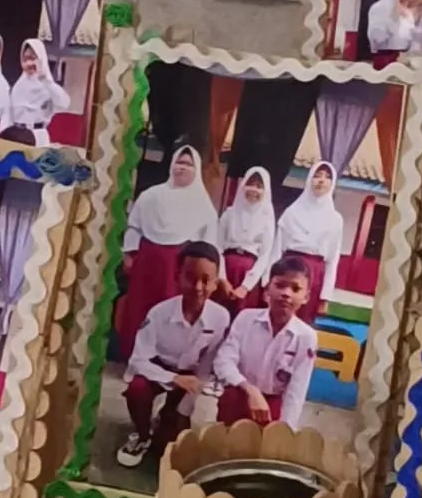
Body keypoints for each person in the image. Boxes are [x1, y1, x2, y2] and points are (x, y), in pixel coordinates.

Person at [115, 242, 228, 468]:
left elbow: (205, 366)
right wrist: (172, 378)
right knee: (137, 390)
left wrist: (184, 408)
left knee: (168, 444)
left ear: (216, 283)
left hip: (189, 377)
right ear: (177, 277)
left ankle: (166, 419)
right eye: (190, 277)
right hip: (158, 368)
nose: (198, 287)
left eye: (206, 280)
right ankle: (142, 434)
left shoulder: (220, 317)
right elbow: (138, 360)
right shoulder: (159, 314)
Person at [114, 145, 218, 359]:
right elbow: (134, 226)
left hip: (179, 266)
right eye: (179, 162)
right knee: (140, 306)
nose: (183, 167)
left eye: (188, 164)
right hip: (147, 261)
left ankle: (161, 359)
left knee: (170, 310)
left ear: (197, 169)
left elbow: (208, 243)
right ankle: (133, 356)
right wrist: (129, 254)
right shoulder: (151, 195)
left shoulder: (202, 204)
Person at [212, 256, 317, 429]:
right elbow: (223, 362)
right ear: (267, 290)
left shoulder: (306, 336)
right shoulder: (246, 318)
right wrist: (250, 389)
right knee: (227, 436)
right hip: (240, 394)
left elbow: (296, 391)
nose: (286, 293)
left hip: (271, 407)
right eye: (280, 285)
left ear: (306, 297)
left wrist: (286, 431)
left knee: (268, 441)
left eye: (295, 288)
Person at [270, 160, 344, 324]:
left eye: (327, 177)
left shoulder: (335, 219)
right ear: (309, 179)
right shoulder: (291, 212)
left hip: (314, 275)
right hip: (288, 269)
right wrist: (269, 283)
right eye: (317, 176)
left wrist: (325, 296)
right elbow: (276, 250)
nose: (321, 181)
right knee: (279, 317)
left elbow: (332, 260)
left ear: (332, 183)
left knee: (303, 324)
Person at [215, 165, 276, 315]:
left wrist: (245, 286)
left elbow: (265, 256)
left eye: (259, 186)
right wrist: (222, 279)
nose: (253, 190)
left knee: (242, 317)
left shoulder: (267, 220)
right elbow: (217, 246)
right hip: (225, 270)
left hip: (249, 274)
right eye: (250, 184)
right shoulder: (229, 214)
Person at [9, 38, 70, 144]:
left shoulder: (48, 86)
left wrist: (45, 81)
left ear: (41, 59)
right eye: (25, 59)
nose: (29, 63)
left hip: (38, 136)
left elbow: (64, 104)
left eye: (33, 58)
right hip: (17, 136)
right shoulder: (18, 86)